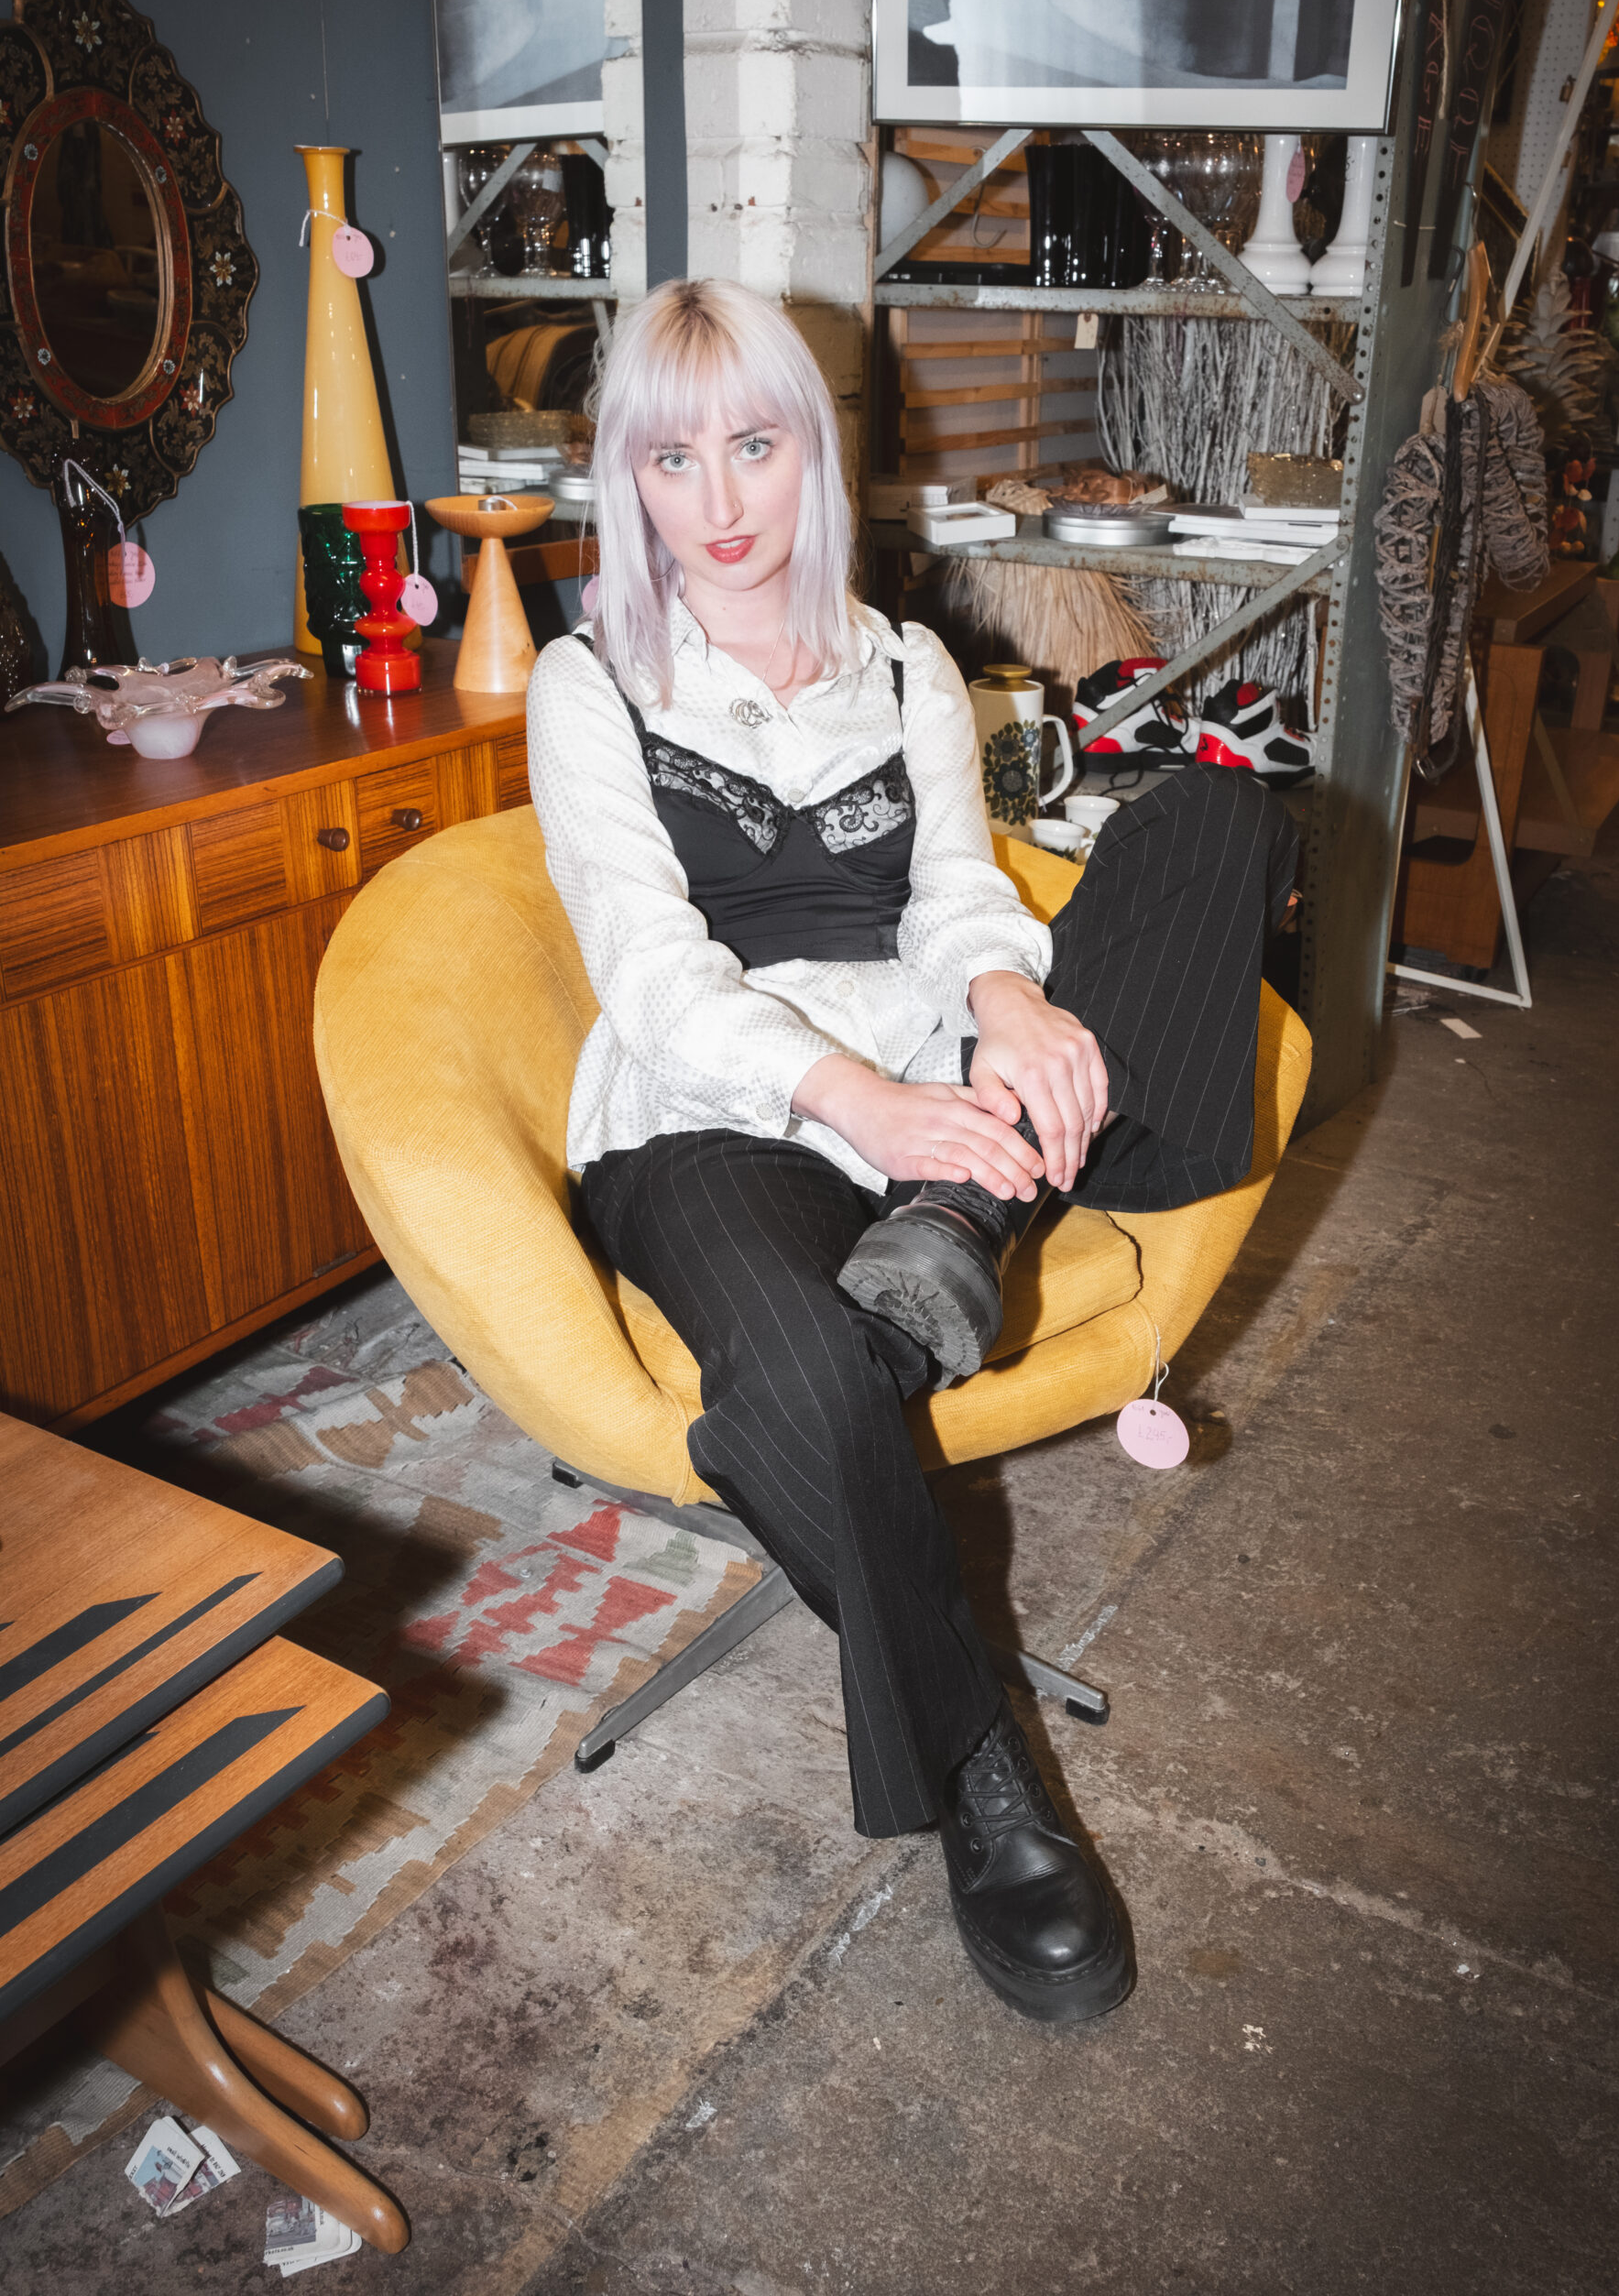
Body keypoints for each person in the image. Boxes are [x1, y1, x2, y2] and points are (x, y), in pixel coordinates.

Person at [527, 279, 1297, 2025]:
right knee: (805, 1365)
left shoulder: (905, 664)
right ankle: (983, 1766)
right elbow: (651, 976)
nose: (721, 501)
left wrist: (1009, 1000)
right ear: (626, 479)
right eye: (671, 459)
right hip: (716, 1111)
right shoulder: (590, 685)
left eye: (754, 445)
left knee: (1215, 817)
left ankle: (957, 1216)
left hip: (931, 1075)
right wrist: (864, 1106)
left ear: (815, 451)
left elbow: (954, 890)